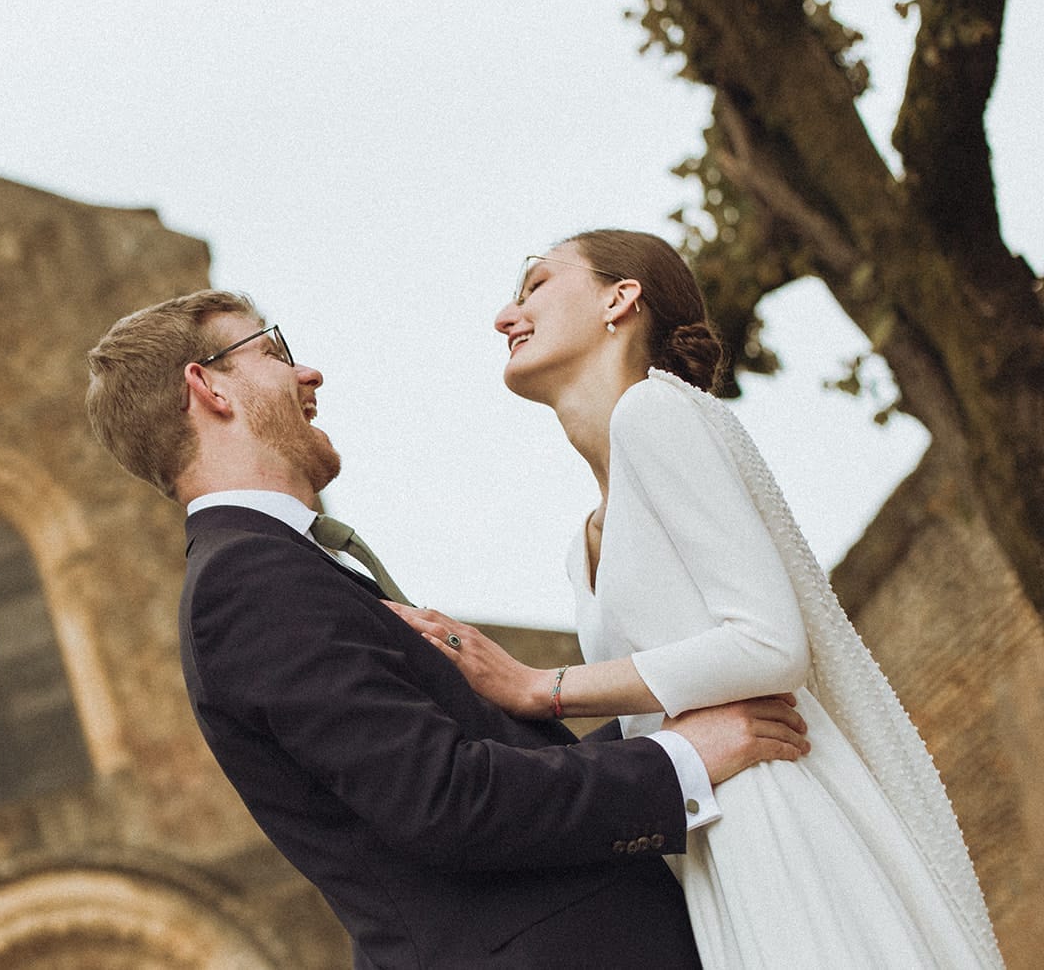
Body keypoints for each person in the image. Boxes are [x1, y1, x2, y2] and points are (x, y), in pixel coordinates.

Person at [85, 288, 812, 968]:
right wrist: (677, 759)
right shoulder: (246, 583)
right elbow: (447, 801)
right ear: (209, 387)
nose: (309, 372)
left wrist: (654, 719)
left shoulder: (274, 568)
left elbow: (468, 771)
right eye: (273, 352)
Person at [394, 230, 1004, 967]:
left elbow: (770, 643)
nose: (504, 315)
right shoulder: (583, 539)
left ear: (620, 300)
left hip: (775, 820)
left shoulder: (654, 412)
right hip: (706, 843)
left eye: (535, 286)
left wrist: (538, 687)